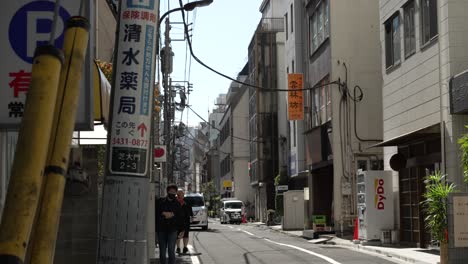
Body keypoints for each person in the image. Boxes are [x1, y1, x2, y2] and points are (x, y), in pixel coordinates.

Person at [155, 184, 185, 264]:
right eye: (171, 191)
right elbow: (156, 214)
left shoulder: (177, 204)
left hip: (173, 230)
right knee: (162, 251)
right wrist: (164, 214)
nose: (172, 193)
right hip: (161, 229)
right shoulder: (160, 201)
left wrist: (182, 230)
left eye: (174, 192)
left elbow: (180, 217)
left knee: (171, 251)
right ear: (167, 191)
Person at [176, 189, 193, 254]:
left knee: (186, 235)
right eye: (179, 194)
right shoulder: (175, 202)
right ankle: (178, 248)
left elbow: (190, 212)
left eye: (182, 194)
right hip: (177, 222)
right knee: (177, 235)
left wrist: (191, 218)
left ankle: (185, 247)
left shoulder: (187, 202)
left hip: (186, 221)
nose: (180, 195)